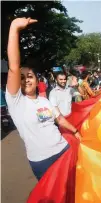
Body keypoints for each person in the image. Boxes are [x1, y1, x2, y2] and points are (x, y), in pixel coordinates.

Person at [6, 17, 81, 181]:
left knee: (74, 193)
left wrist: (76, 132)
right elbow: (13, 67)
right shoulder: (16, 101)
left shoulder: (45, 101)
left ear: (37, 80)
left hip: (64, 150)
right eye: (22, 77)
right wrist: (14, 28)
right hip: (42, 161)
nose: (26, 79)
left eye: (30, 76)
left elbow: (60, 119)